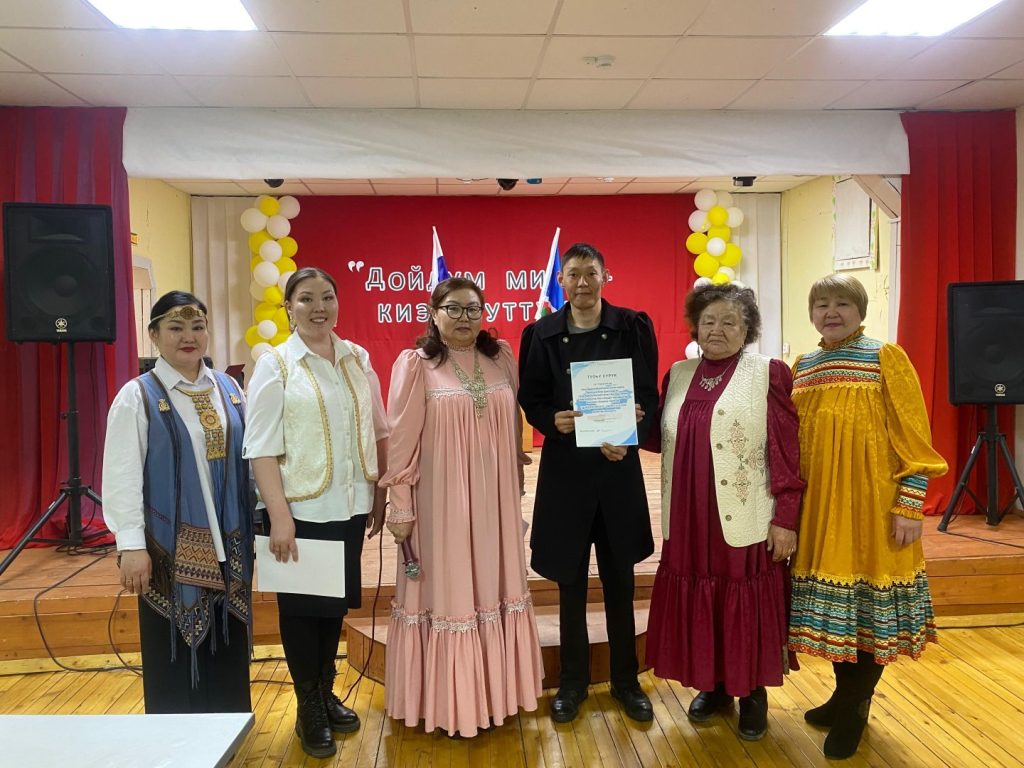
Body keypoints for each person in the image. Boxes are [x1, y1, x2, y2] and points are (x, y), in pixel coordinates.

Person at [789, 273, 948, 760]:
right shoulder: (803, 365)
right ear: (812, 313)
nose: (831, 312)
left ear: (860, 310)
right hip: (820, 510)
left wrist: (910, 503)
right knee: (844, 619)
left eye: (842, 303)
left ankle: (856, 707)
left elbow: (914, 435)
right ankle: (844, 696)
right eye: (822, 304)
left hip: (873, 508)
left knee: (867, 615)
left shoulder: (885, 357)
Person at [381, 276, 544, 738]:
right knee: (449, 590)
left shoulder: (501, 358)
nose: (464, 318)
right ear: (433, 314)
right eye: (452, 308)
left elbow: (511, 429)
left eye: (473, 309)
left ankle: (496, 696)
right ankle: (450, 705)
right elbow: (401, 444)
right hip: (441, 502)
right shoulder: (417, 365)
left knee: (493, 585)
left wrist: (514, 483)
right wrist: (400, 507)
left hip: (494, 501)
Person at [644, 283, 804, 741]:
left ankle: (752, 693)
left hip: (744, 513)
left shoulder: (767, 373)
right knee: (702, 599)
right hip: (688, 516)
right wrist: (617, 423)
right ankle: (714, 686)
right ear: (695, 327)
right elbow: (661, 437)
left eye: (729, 321)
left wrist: (786, 517)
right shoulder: (678, 374)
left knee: (742, 603)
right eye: (708, 321)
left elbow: (786, 451)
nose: (716, 330)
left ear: (747, 328)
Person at [244, 267, 388, 759]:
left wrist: (379, 491)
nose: (318, 307)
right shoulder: (275, 365)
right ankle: (308, 706)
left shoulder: (356, 358)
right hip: (300, 511)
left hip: (348, 506)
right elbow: (260, 448)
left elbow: (378, 428)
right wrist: (279, 515)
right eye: (306, 299)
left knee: (333, 609)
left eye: (327, 297)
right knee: (303, 613)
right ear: (289, 307)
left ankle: (326, 693)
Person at [518, 242, 658, 724]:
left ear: (605, 277)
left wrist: (631, 431)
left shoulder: (633, 327)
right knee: (570, 584)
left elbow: (647, 395)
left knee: (621, 583)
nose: (582, 282)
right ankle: (573, 683)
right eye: (573, 273)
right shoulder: (540, 334)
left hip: (617, 471)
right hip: (567, 476)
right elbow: (532, 397)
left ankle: (626, 681)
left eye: (591, 273)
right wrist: (550, 421)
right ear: (561, 280)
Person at [102, 291, 252, 714]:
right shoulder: (137, 395)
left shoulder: (229, 388)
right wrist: (131, 546)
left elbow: (249, 461)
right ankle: (175, 743)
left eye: (197, 326)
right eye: (176, 327)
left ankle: (229, 735)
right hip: (168, 550)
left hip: (231, 545)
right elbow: (121, 475)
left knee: (228, 652)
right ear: (154, 335)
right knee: (174, 661)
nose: (189, 336)